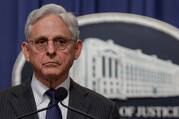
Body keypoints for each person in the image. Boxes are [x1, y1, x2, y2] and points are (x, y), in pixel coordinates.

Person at [0, 3, 120, 119]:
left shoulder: (104, 110)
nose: (51, 50)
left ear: (76, 49)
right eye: (41, 42)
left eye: (61, 42)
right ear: (27, 51)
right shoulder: (2, 105)